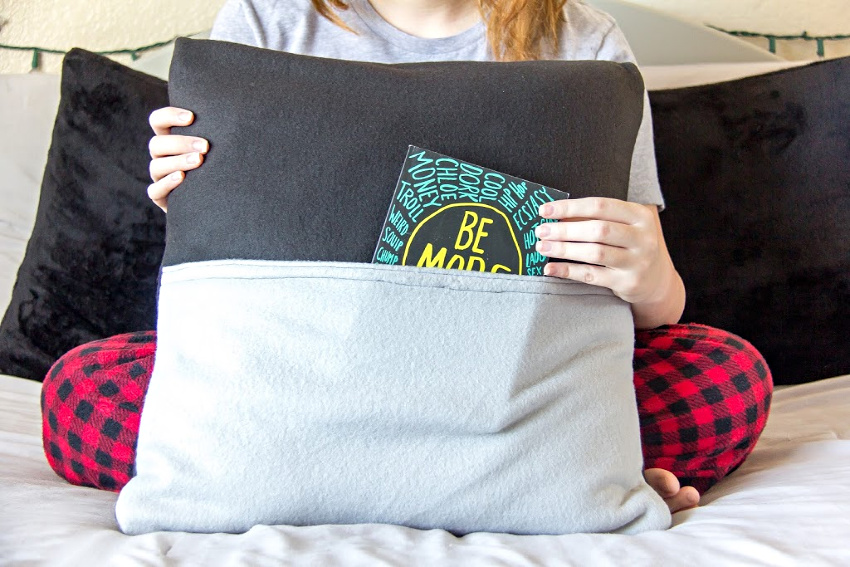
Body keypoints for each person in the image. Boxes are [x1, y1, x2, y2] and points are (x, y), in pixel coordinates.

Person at [41, 0, 772, 517]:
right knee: (78, 386)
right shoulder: (266, 21)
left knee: (729, 375)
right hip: (297, 373)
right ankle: (562, 471)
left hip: (513, 378)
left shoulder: (586, 41)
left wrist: (651, 276)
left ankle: (566, 464)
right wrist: (192, 196)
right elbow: (223, 288)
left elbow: (657, 308)